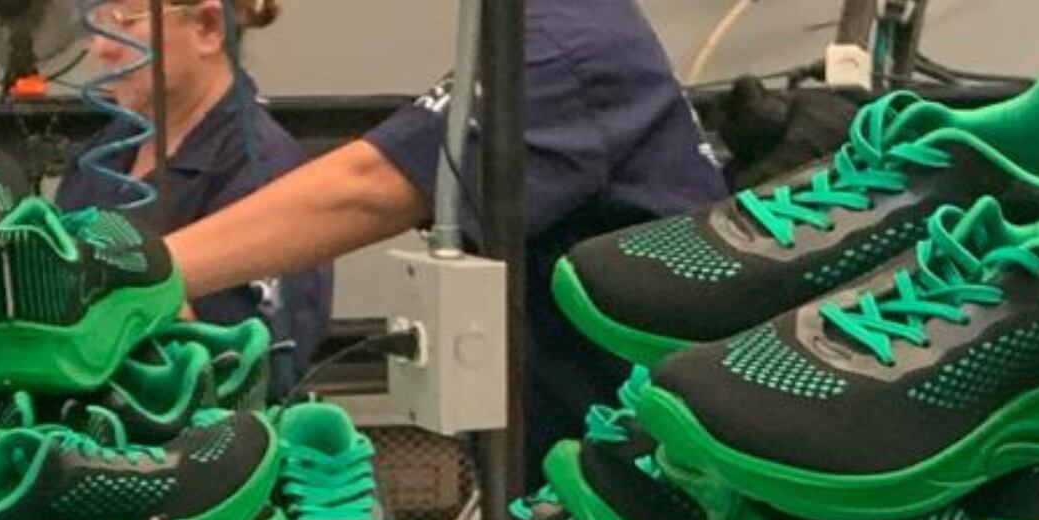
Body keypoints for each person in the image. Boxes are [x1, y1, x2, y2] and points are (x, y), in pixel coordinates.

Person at [164, 0, 727, 480]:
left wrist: (149, 271)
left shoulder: (572, 44)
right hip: (572, 448)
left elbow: (370, 188)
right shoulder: (542, 32)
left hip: (633, 461)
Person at [59, 0, 332, 393]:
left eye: (122, 21)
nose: (101, 49)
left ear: (208, 26)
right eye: (96, 23)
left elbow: (260, 377)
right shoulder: (104, 154)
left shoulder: (265, 178)